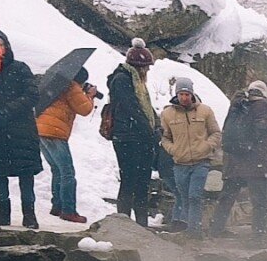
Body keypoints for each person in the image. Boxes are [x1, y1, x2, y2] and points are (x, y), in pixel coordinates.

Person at [209, 80, 267, 241]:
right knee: (260, 202)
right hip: (256, 162)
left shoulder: (237, 104)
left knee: (227, 198)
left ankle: (215, 230)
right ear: (263, 92)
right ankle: (258, 236)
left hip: (233, 162)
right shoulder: (264, 105)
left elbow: (227, 130)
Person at [0, 29, 42, 228]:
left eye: (0, 44)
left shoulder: (20, 68)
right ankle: (3, 212)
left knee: (26, 173)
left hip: (21, 129)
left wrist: (7, 111)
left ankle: (29, 214)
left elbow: (32, 94)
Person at [106, 38, 158, 226]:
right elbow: (132, 108)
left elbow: (145, 108)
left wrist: (155, 124)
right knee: (129, 180)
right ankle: (125, 223)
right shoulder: (122, 79)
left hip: (139, 136)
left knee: (142, 182)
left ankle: (141, 224)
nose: (148, 71)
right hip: (127, 137)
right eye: (146, 67)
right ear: (139, 67)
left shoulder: (136, 82)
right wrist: (148, 128)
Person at [160, 76, 219, 234]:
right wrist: (173, 149)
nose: (184, 98)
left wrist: (207, 146)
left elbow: (215, 133)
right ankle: (187, 228)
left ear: (192, 94)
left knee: (195, 196)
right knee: (185, 197)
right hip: (180, 162)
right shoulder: (167, 114)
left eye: (187, 94)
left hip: (201, 161)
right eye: (181, 94)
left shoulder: (205, 111)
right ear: (177, 95)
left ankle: (195, 230)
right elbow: (165, 138)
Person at [37, 67, 96, 223]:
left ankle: (57, 206)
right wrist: (90, 96)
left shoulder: (57, 84)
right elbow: (84, 109)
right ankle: (68, 210)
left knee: (57, 169)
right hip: (55, 132)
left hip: (41, 129)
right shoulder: (71, 86)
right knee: (67, 172)